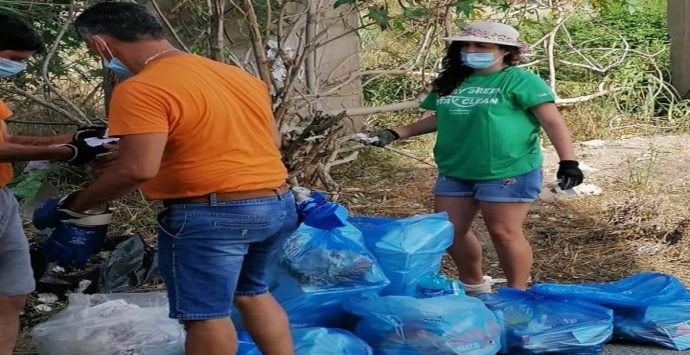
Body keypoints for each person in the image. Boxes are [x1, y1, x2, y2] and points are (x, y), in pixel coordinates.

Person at [37, 3, 298, 354]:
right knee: (251, 293)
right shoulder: (237, 76)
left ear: (100, 44)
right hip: (274, 204)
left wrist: (78, 204)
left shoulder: (142, 87)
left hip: (212, 215)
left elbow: (137, 170)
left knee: (205, 315)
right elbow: (270, 142)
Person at [367, 22, 583, 294]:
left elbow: (552, 122)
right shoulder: (452, 80)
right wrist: (394, 133)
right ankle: (474, 285)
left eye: (480, 45)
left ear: (505, 51)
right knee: (449, 232)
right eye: (465, 45)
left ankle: (516, 294)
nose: (470, 50)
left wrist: (569, 161)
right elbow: (439, 116)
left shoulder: (519, 80)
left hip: (507, 169)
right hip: (456, 168)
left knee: (503, 233)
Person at [0, 13, 109, 354]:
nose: (17, 68)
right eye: (13, 60)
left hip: (2, 198)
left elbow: (8, 140)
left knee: (13, 291)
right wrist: (65, 152)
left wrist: (73, 139)